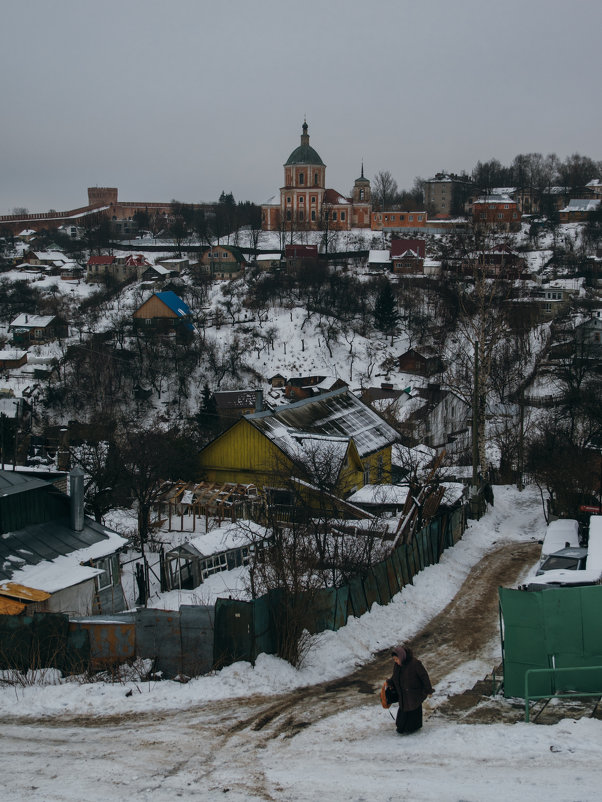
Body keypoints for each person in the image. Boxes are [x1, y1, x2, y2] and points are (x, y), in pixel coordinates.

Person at [386, 644, 434, 734]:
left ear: (402, 657)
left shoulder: (415, 664)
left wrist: (427, 689)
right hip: (403, 694)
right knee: (402, 717)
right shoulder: (397, 666)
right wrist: (390, 682)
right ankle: (403, 727)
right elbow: (395, 677)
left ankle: (413, 728)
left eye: (396, 659)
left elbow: (424, 676)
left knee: (413, 711)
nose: (395, 661)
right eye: (394, 660)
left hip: (414, 694)